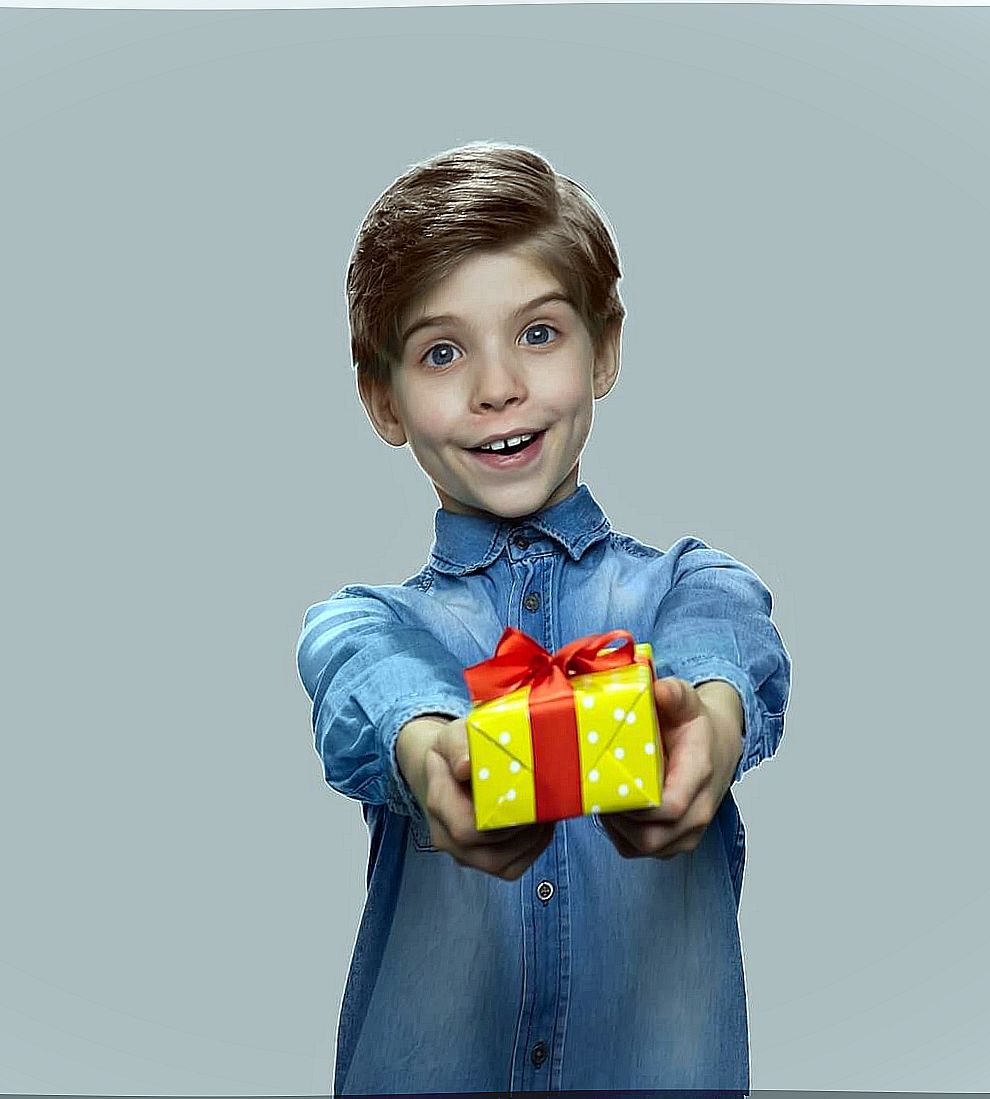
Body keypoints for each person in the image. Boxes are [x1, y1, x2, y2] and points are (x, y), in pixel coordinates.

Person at [295, 141, 792, 1096]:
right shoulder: (368, 622)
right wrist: (435, 752)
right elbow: (366, 676)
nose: (497, 388)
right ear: (380, 398)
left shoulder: (694, 582)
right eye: (444, 351)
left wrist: (712, 728)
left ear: (604, 350)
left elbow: (728, 641)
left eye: (538, 334)